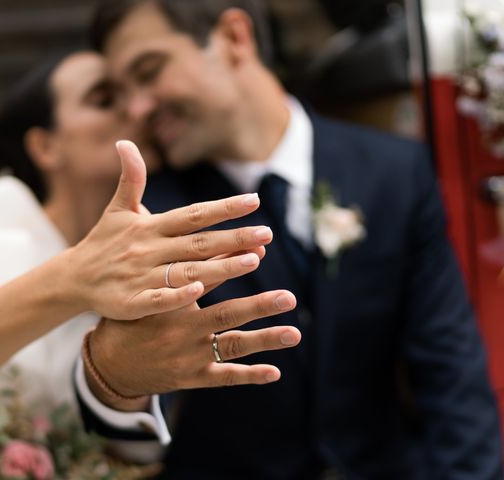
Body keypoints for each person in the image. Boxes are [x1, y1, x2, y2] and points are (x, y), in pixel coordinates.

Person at [75, 1, 504, 478]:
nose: (137, 108)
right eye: (121, 93)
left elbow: (451, 376)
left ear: (235, 37)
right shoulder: (154, 215)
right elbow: (143, 406)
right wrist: (118, 380)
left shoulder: (395, 173)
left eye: (149, 71)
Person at [0, 50, 302, 478]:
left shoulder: (174, 237)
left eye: (138, 94)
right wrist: (73, 277)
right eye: (104, 99)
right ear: (45, 146)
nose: (137, 109)